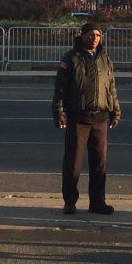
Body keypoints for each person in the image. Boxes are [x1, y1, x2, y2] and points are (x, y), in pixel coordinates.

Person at [52, 22, 121, 215]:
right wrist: (58, 112)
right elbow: (60, 89)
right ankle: (70, 201)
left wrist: (116, 110)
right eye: (91, 35)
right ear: (82, 36)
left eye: (98, 35)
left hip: (100, 117)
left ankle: (98, 202)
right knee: (73, 162)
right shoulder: (71, 58)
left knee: (99, 163)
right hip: (78, 117)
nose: (95, 39)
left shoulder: (105, 59)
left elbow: (111, 88)